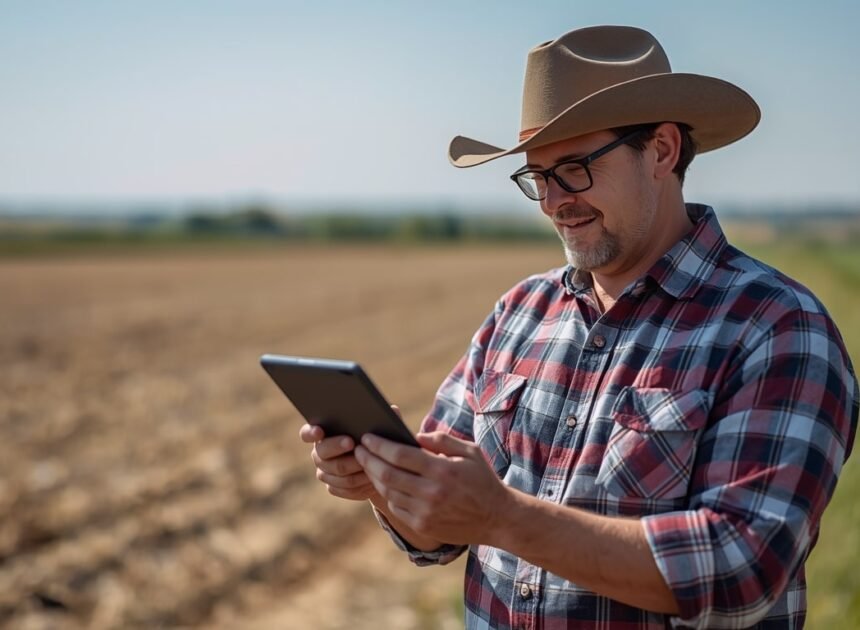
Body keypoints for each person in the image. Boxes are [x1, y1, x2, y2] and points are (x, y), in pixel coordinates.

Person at [300, 25, 858, 628]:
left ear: (663, 151)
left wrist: (503, 517)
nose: (553, 201)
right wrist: (384, 483)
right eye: (537, 177)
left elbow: (739, 569)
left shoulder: (778, 326)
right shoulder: (518, 314)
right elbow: (439, 532)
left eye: (573, 167)